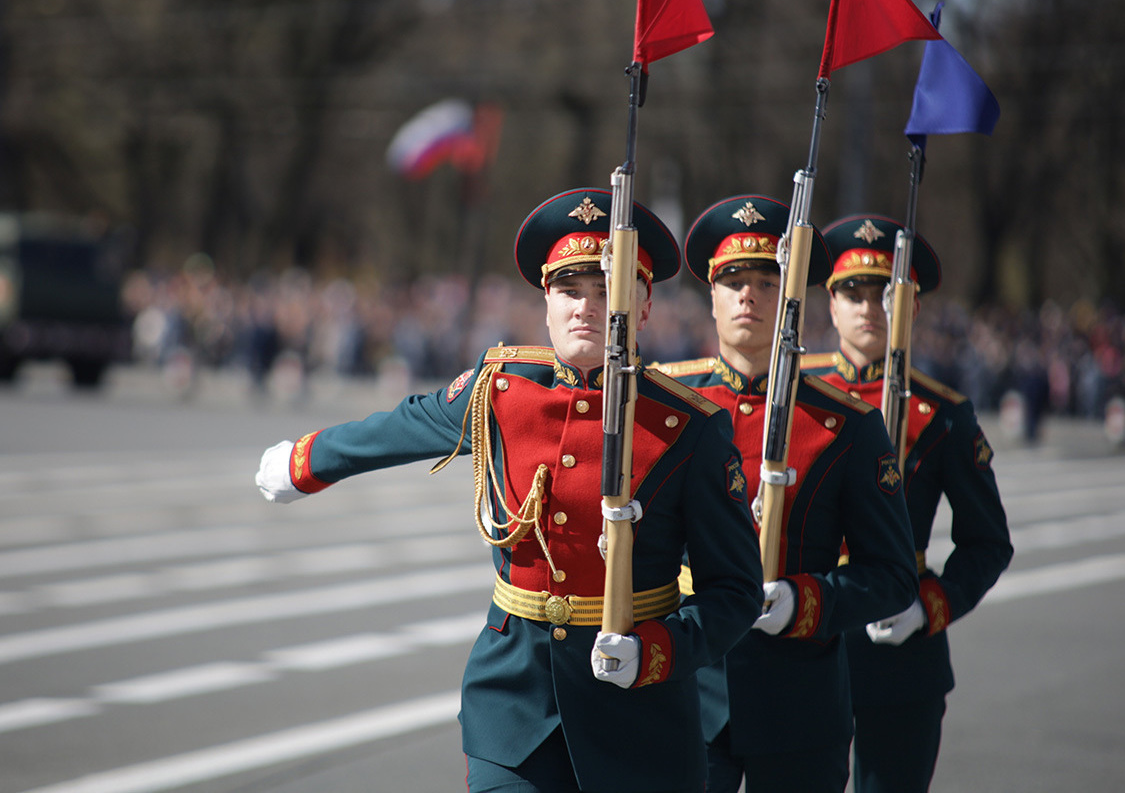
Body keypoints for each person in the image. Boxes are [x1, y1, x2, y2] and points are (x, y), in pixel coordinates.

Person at [255, 188, 763, 793]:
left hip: (640, 718)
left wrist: (658, 649)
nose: (586, 308)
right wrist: (307, 462)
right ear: (546, 301)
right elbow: (403, 425)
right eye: (570, 291)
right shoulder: (502, 390)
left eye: (608, 292)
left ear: (645, 304)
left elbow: (734, 592)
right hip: (514, 699)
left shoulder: (689, 428)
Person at [653, 195, 919, 792]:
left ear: (792, 299)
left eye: (767, 282)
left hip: (801, 708)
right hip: (692, 696)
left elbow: (893, 575)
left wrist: (806, 602)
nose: (749, 295)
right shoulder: (664, 406)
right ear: (713, 298)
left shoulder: (848, 424)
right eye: (733, 281)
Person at [803, 213, 1013, 793]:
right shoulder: (795, 395)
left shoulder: (944, 416)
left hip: (901, 650)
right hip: (806, 636)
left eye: (885, 293)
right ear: (831, 305)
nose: (870, 307)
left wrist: (929, 607)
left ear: (912, 307)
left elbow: (988, 542)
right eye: (853, 292)